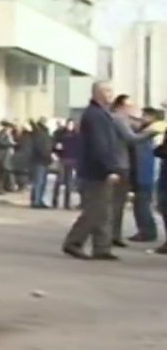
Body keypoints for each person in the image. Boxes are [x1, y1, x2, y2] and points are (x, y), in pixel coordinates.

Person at [63, 81, 126, 261]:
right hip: (95, 170)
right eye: (107, 91)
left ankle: (101, 248)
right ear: (97, 93)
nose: (111, 94)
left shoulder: (101, 114)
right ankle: (73, 242)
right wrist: (111, 168)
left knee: (104, 210)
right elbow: (100, 146)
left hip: (99, 169)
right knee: (94, 210)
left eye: (111, 91)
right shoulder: (95, 115)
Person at [108, 94, 155, 247]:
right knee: (117, 203)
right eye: (130, 106)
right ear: (121, 106)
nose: (133, 109)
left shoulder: (120, 120)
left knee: (121, 203)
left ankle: (114, 234)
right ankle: (112, 235)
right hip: (124, 166)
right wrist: (150, 132)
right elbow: (131, 138)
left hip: (131, 168)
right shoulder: (119, 119)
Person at [128, 107, 163, 243]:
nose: (142, 118)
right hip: (141, 172)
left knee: (143, 204)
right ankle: (145, 230)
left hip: (147, 174)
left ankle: (147, 231)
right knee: (140, 203)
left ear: (152, 117)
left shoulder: (153, 130)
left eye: (145, 116)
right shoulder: (146, 131)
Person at [52, 118, 80, 209]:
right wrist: (56, 151)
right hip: (62, 159)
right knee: (59, 181)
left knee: (69, 182)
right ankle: (54, 201)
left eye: (71, 124)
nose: (70, 126)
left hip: (72, 160)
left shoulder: (77, 135)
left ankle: (67, 203)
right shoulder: (60, 134)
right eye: (69, 124)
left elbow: (79, 148)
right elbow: (55, 145)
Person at [30, 118, 55, 209]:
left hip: (43, 160)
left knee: (41, 181)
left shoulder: (43, 133)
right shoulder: (40, 133)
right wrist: (47, 155)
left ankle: (39, 200)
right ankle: (36, 201)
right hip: (40, 160)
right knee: (39, 181)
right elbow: (41, 147)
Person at [12, 121, 34, 193]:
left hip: (21, 156)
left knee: (20, 173)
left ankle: (21, 186)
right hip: (26, 156)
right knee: (24, 173)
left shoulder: (22, 137)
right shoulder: (30, 137)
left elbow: (17, 145)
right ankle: (22, 186)